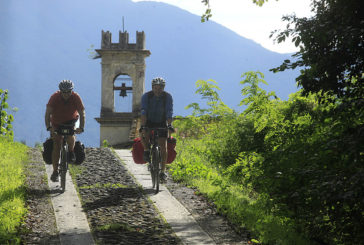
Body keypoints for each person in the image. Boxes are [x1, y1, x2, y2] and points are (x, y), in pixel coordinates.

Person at [45, 80, 85, 182]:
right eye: (64, 92)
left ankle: (71, 152)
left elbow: (82, 113)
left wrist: (81, 127)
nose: (66, 94)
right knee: (57, 144)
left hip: (71, 121)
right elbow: (47, 113)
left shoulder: (76, 97)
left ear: (72, 91)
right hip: (56, 123)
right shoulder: (54, 97)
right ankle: (55, 171)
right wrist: (49, 127)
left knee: (71, 135)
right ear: (60, 91)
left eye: (69, 92)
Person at [140, 77, 174, 182]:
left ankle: (163, 172)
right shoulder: (146, 96)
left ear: (163, 88)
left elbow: (169, 111)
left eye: (160, 88)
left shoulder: (167, 97)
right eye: (155, 88)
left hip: (161, 122)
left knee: (163, 146)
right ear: (152, 87)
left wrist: (169, 125)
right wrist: (143, 125)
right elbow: (143, 111)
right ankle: (146, 150)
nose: (157, 90)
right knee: (142, 133)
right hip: (149, 120)